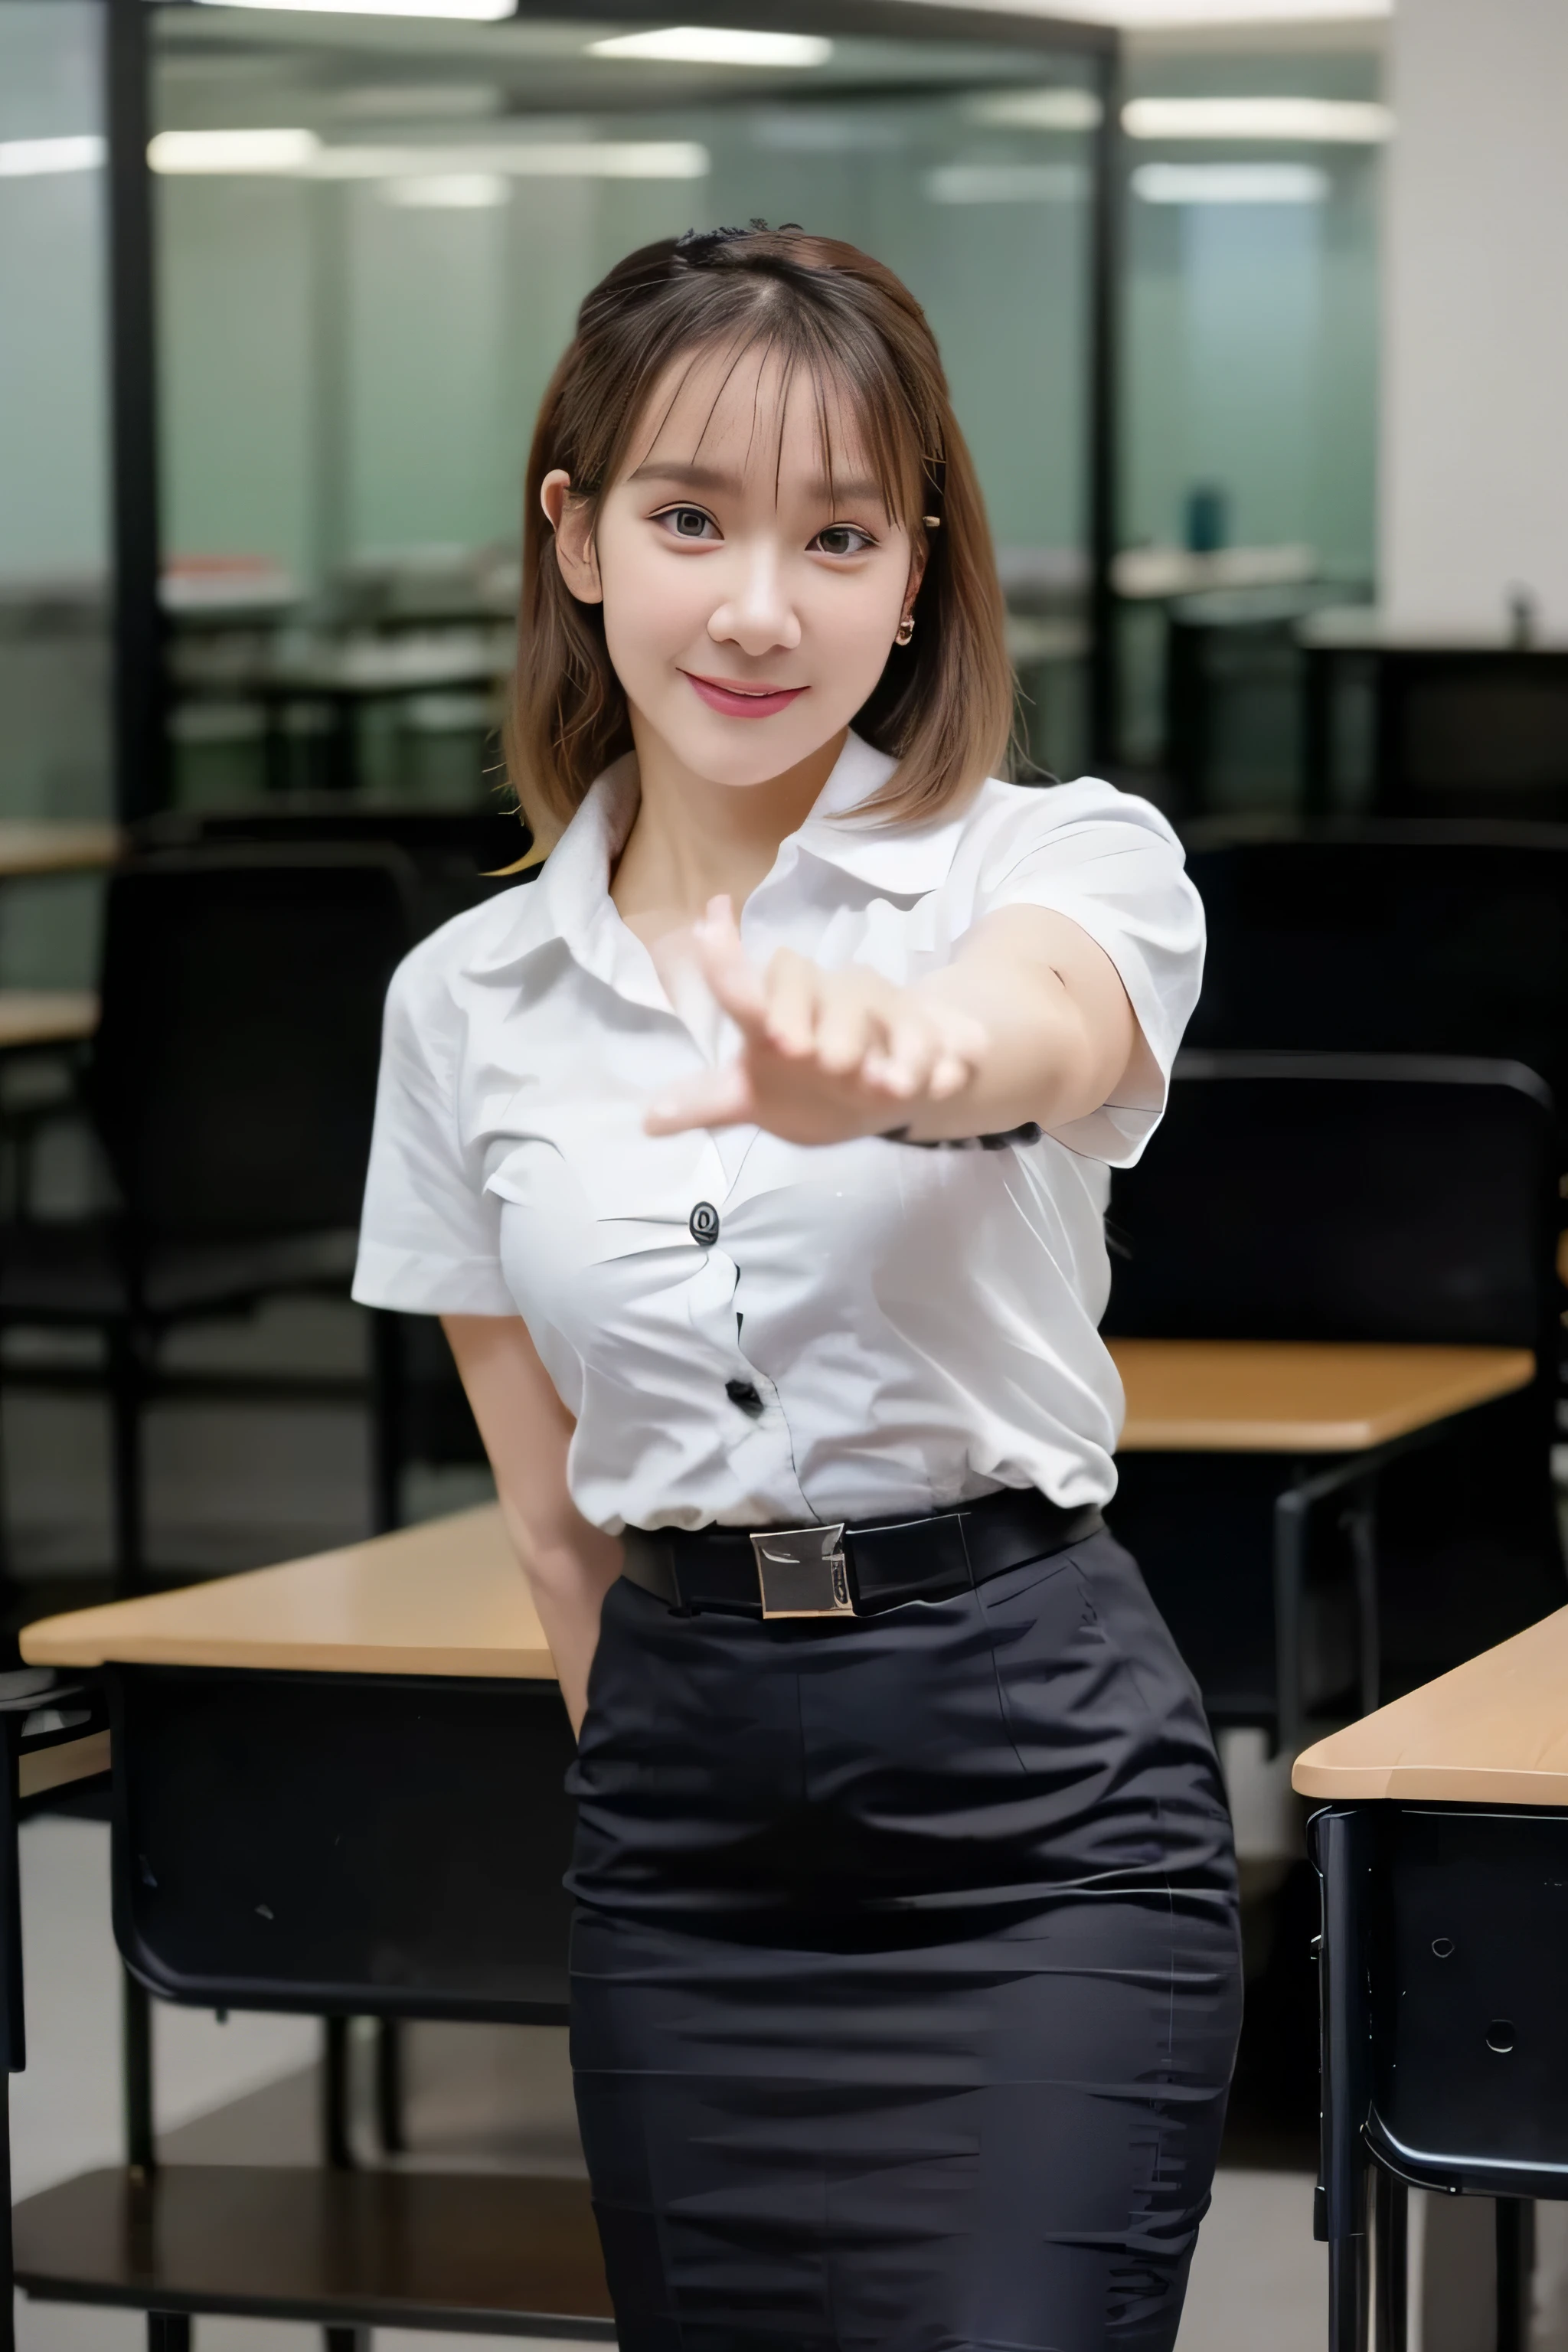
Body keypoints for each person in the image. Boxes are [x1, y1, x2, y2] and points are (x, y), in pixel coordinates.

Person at [353, 224, 1241, 2352]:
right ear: (577, 537)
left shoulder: (1049, 866)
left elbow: (1050, 1028)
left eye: (841, 534)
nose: (762, 606)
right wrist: (658, 1778)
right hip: (686, 1822)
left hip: (1032, 1781)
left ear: (917, 570)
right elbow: (559, 1530)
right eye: (690, 519)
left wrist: (913, 1064)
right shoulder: (466, 999)